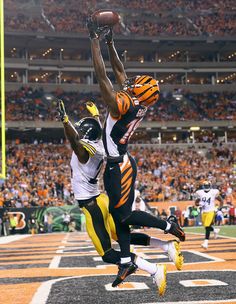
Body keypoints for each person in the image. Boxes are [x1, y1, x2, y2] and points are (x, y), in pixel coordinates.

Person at [86, 18, 185, 287]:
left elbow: (103, 75)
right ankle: (128, 262)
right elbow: (119, 72)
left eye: (137, 83)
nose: (132, 81)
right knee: (120, 220)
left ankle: (167, 225)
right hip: (120, 160)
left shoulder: (122, 105)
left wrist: (94, 41)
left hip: (119, 165)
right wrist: (110, 42)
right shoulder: (136, 101)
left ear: (139, 91)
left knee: (125, 217)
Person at [57, 99, 183, 296]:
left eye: (80, 130)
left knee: (107, 254)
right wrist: (97, 116)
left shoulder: (85, 150)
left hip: (92, 205)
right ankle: (166, 246)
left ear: (84, 135)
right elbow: (94, 134)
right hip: (101, 200)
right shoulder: (99, 144)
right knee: (122, 235)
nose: (78, 132)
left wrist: (66, 121)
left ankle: (153, 269)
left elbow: (76, 142)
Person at [195, 181, 224, 249]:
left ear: (210, 186)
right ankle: (215, 230)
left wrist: (219, 209)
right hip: (204, 212)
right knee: (206, 226)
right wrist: (199, 204)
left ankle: (206, 243)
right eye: (206, 185)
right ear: (203, 186)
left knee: (207, 227)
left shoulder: (213, 192)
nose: (207, 187)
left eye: (208, 185)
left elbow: (221, 201)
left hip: (211, 211)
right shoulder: (200, 193)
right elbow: (196, 202)